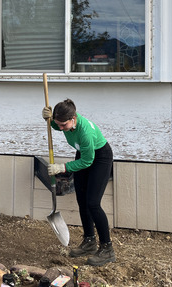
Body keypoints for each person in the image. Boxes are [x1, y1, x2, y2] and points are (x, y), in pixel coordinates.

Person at [42, 99, 115, 266]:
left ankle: (107, 249)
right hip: (83, 155)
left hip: (99, 158)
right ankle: (89, 241)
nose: (60, 128)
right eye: (59, 124)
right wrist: (48, 119)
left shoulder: (85, 132)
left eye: (63, 125)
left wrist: (62, 167)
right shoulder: (64, 122)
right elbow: (55, 125)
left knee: (93, 203)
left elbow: (88, 161)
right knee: (82, 200)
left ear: (73, 118)